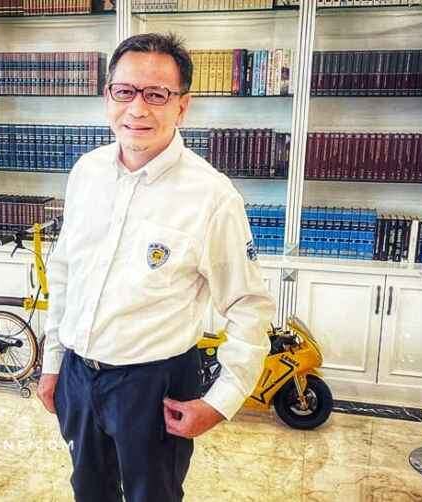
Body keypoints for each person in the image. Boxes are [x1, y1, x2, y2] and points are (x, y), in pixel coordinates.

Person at [37, 32, 276, 502]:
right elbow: (65, 274)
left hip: (154, 387)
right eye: (124, 91)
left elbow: (249, 305)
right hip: (79, 378)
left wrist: (221, 401)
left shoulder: (212, 196)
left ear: (182, 106)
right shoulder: (86, 172)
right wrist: (54, 364)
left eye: (156, 95)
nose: (137, 108)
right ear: (107, 96)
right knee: (89, 491)